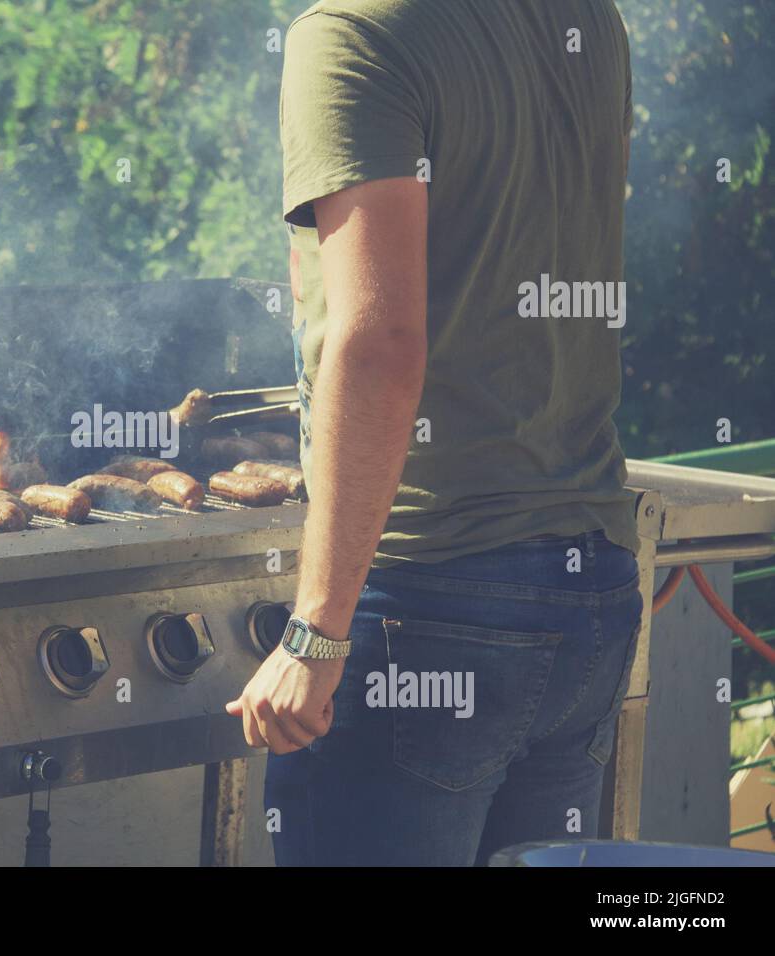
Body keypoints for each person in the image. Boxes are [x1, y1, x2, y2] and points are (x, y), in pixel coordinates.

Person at [227, 0, 644, 866]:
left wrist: (315, 633)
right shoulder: (585, 17)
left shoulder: (352, 33)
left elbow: (380, 344)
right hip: (589, 589)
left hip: (428, 600)